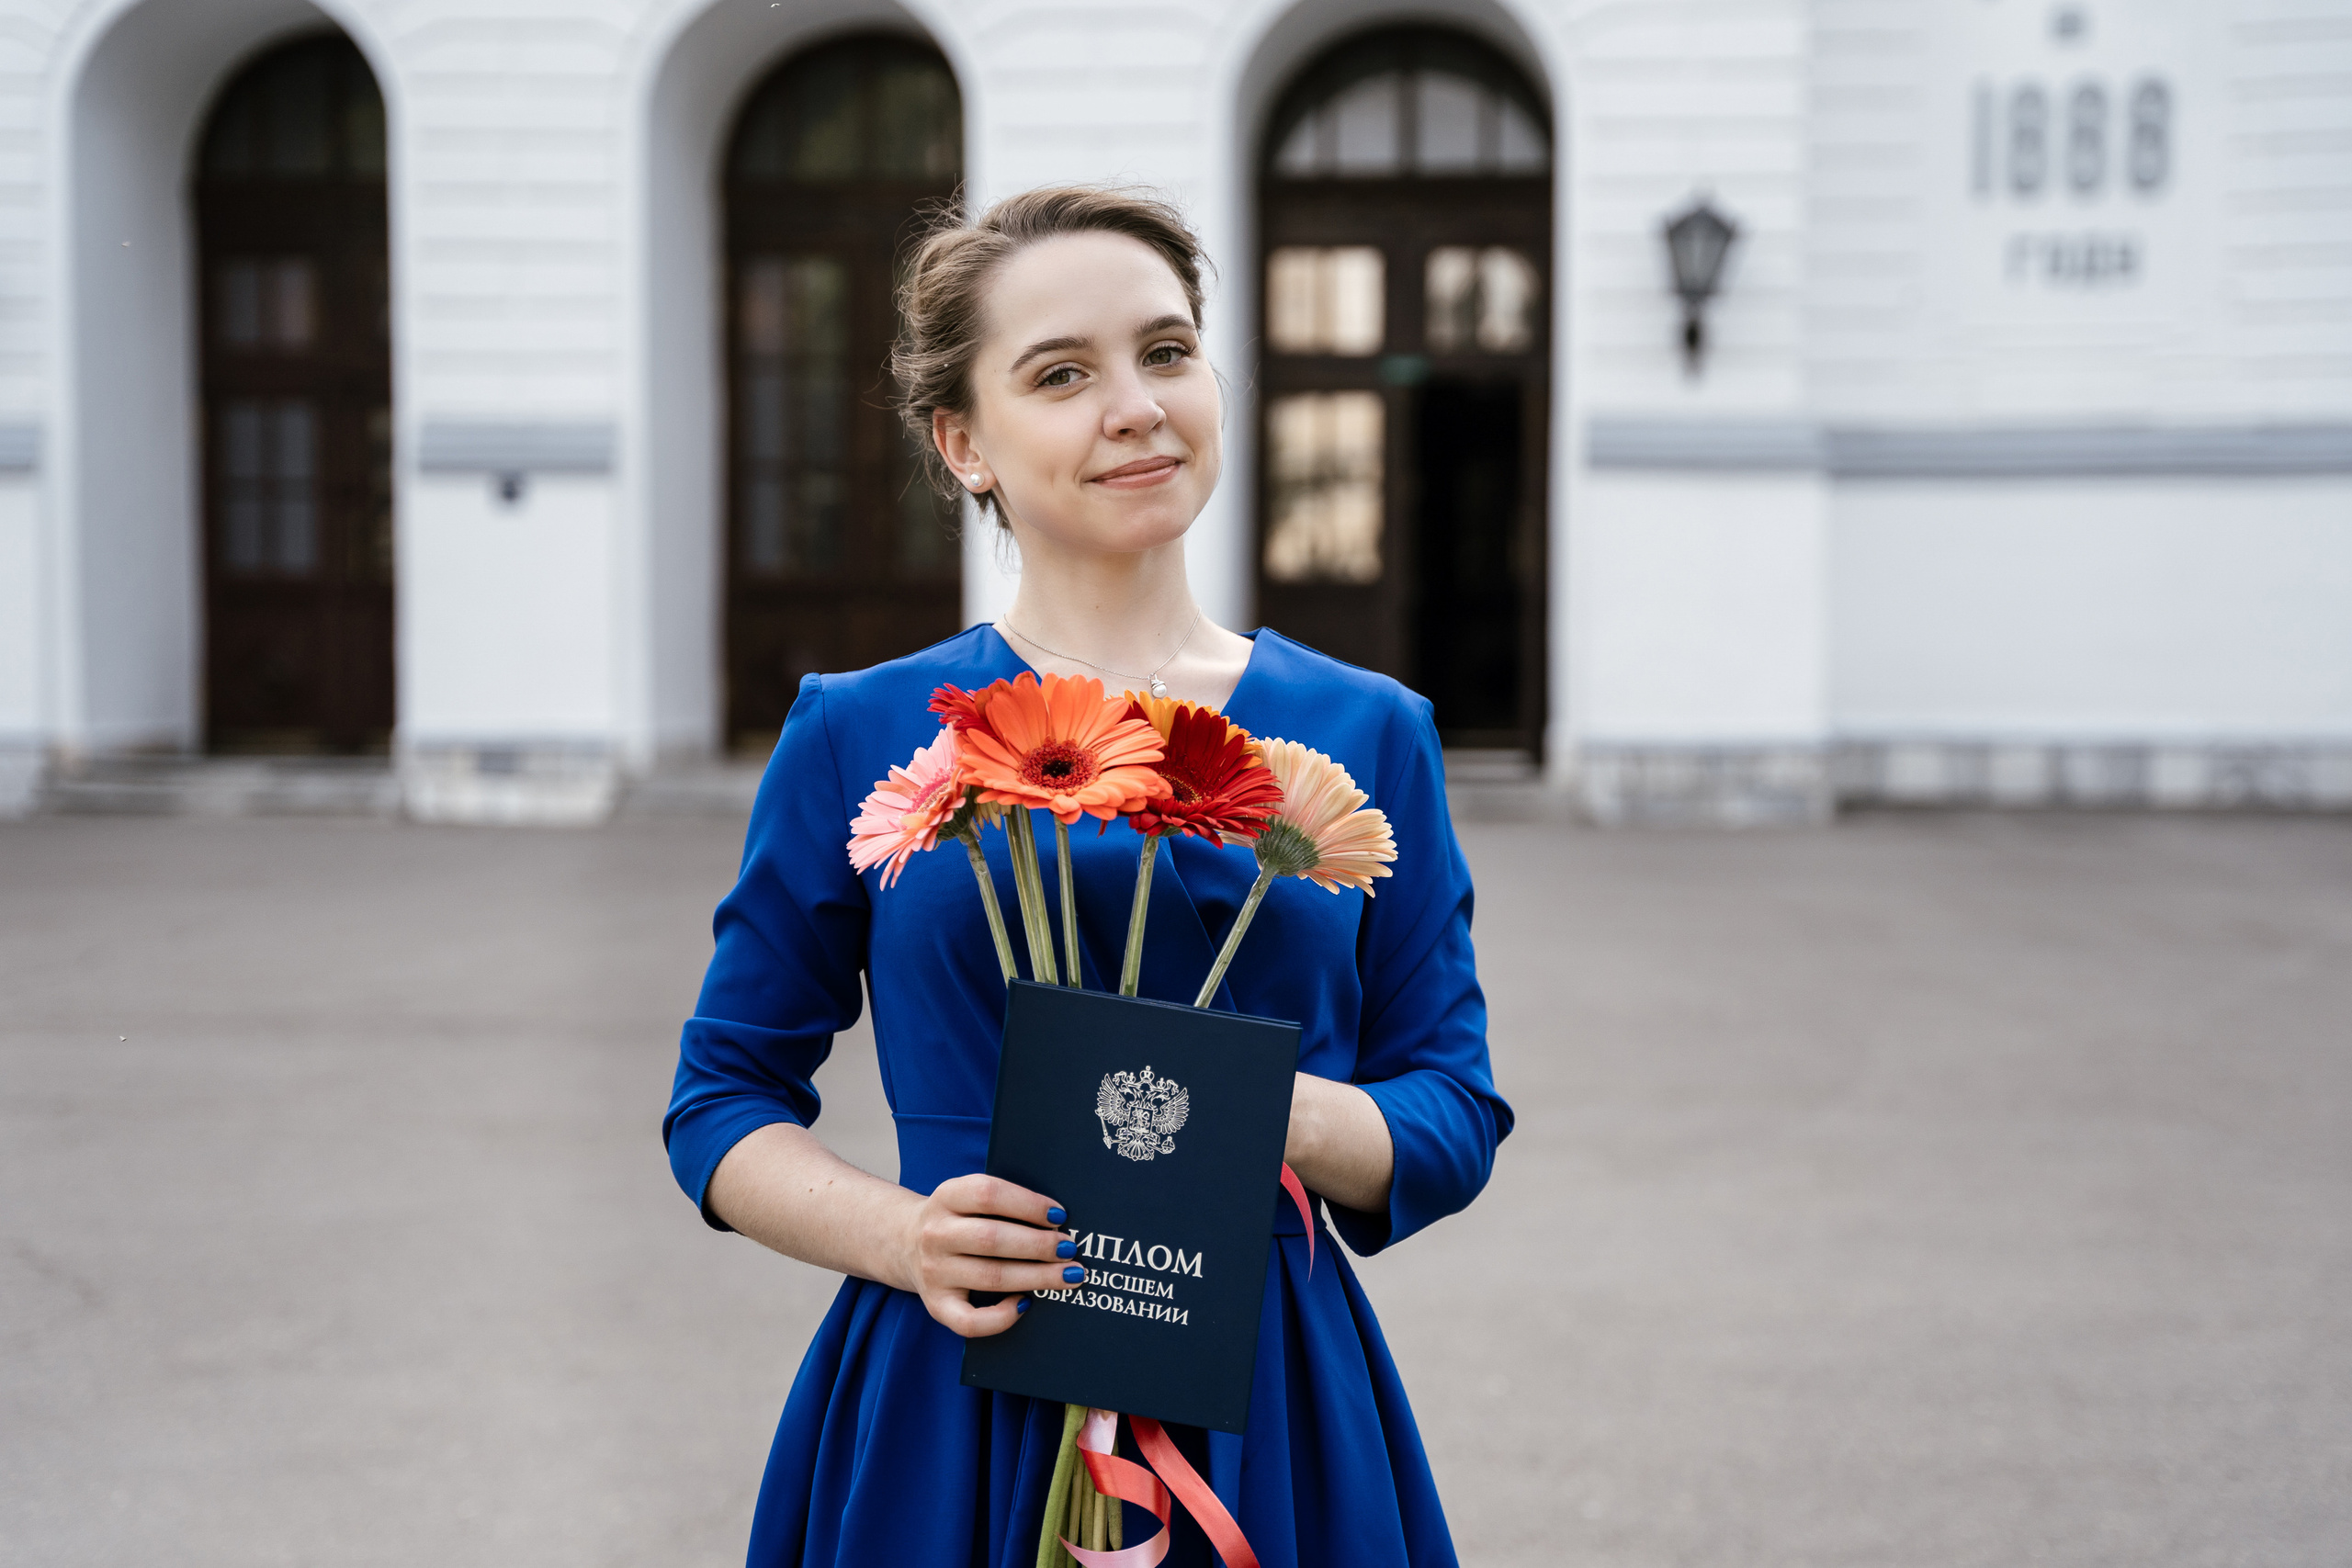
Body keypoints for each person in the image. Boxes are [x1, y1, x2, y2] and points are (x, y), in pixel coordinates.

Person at [664, 186, 1511, 1568]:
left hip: (1262, 1394)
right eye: (1062, 375)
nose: (1137, 407)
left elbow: (1452, 1113)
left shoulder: (1368, 731)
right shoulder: (861, 731)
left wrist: (1252, 1108)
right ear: (964, 444)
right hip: (949, 1382)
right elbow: (720, 1104)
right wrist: (905, 1239)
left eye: (1167, 352)